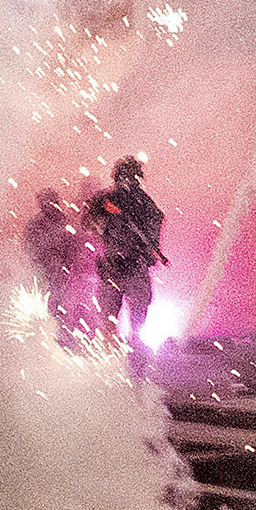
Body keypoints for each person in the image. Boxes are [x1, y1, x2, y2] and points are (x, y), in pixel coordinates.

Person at [84, 157, 167, 377]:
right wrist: (102, 227)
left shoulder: (143, 203)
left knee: (135, 320)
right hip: (114, 266)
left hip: (132, 266)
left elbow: (156, 221)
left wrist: (150, 247)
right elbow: (88, 219)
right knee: (110, 320)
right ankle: (109, 366)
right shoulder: (108, 199)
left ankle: (134, 365)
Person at [22, 187, 95, 352]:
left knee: (65, 308)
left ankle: (64, 340)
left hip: (63, 274)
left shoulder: (63, 222)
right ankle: (56, 339)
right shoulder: (39, 224)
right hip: (48, 273)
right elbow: (30, 248)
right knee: (57, 307)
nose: (49, 205)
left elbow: (75, 246)